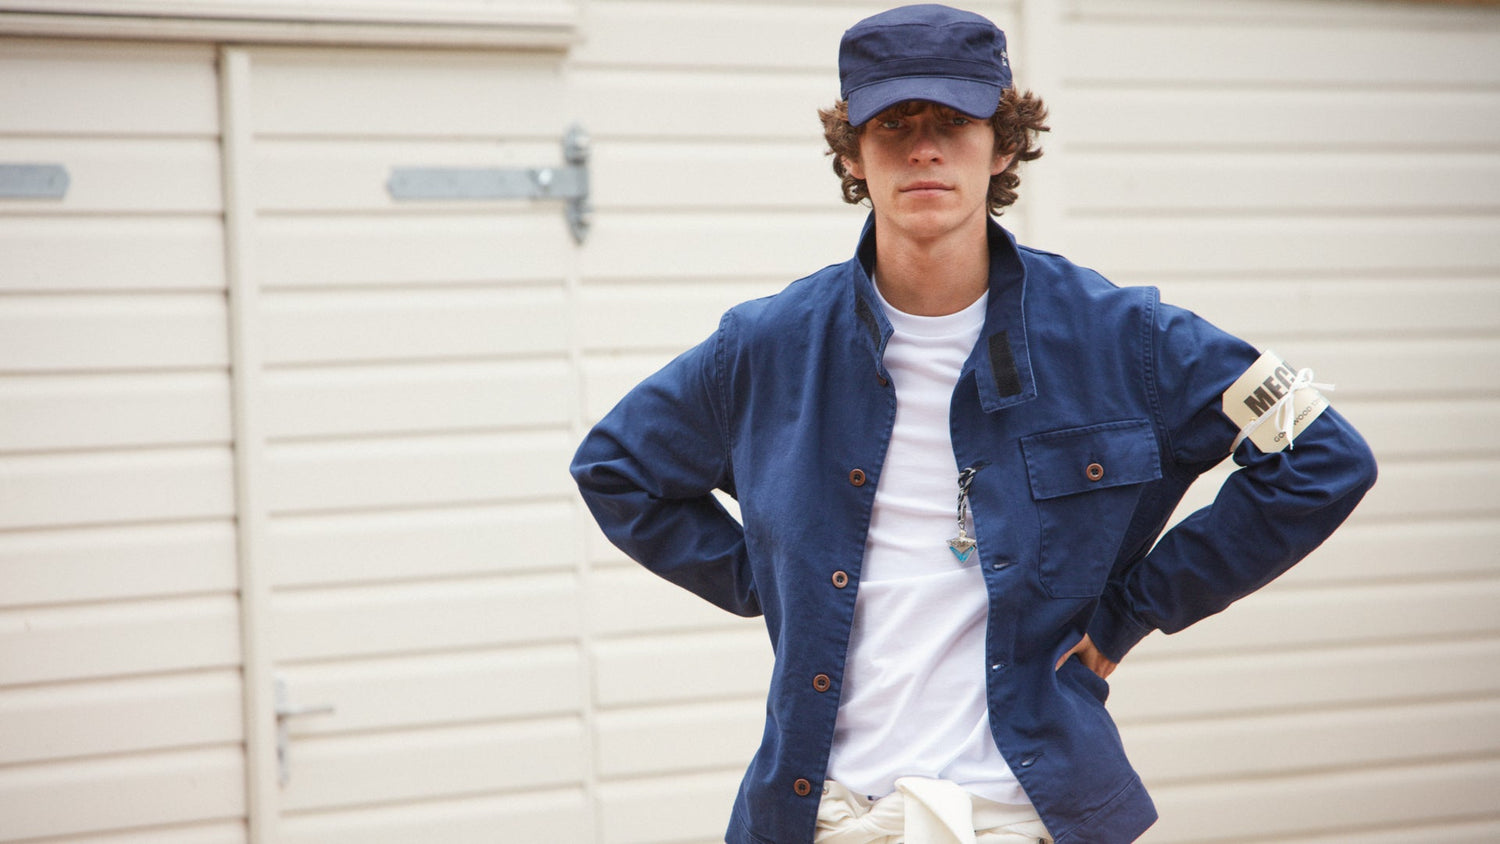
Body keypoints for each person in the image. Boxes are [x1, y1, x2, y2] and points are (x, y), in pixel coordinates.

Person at [570, 5, 1378, 842]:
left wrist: (1129, 613)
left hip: (1026, 817)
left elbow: (1321, 454)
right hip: (828, 816)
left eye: (954, 122)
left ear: (1003, 143)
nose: (924, 148)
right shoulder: (768, 345)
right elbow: (616, 470)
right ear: (852, 151)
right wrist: (772, 577)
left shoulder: (1124, 337)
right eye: (893, 124)